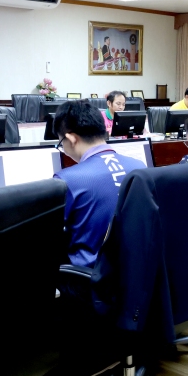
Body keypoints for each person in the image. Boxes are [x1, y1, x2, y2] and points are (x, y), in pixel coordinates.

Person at [53, 100, 146, 268]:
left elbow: (47, 235)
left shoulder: (67, 180)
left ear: (71, 138)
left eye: (61, 144)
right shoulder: (140, 167)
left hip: (90, 277)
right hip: (137, 270)